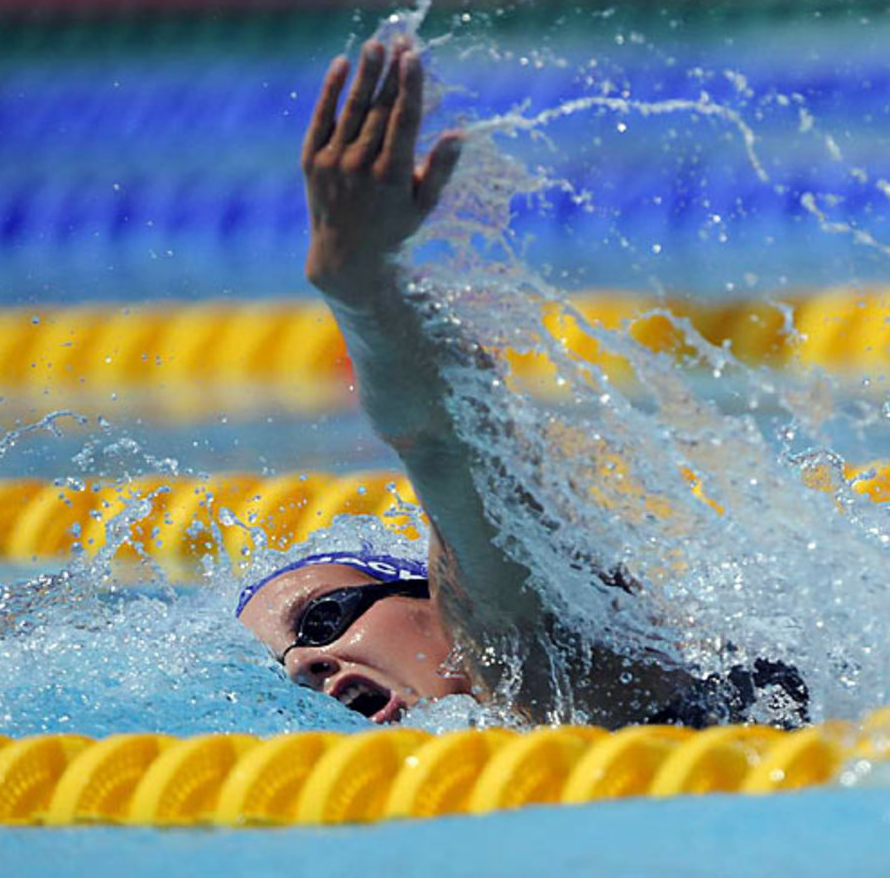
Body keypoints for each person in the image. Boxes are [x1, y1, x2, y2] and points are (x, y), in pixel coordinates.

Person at [238, 37, 810, 729]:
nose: (303, 663)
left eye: (322, 618)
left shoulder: (541, 662)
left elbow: (447, 444)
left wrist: (359, 282)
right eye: (282, 665)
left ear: (433, 590)